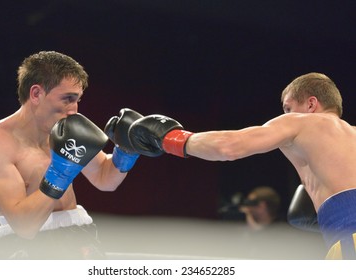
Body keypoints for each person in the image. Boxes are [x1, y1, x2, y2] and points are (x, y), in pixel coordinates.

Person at [127, 72, 356, 259]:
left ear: (311, 104)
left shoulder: (301, 122)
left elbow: (230, 146)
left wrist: (170, 139)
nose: (285, 114)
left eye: (288, 108)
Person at [0, 51, 142, 259]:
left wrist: (126, 151)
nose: (74, 110)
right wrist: (60, 172)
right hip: (27, 247)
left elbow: (105, 179)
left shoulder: (66, 128)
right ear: (36, 94)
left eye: (77, 100)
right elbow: (25, 226)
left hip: (78, 235)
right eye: (67, 99)